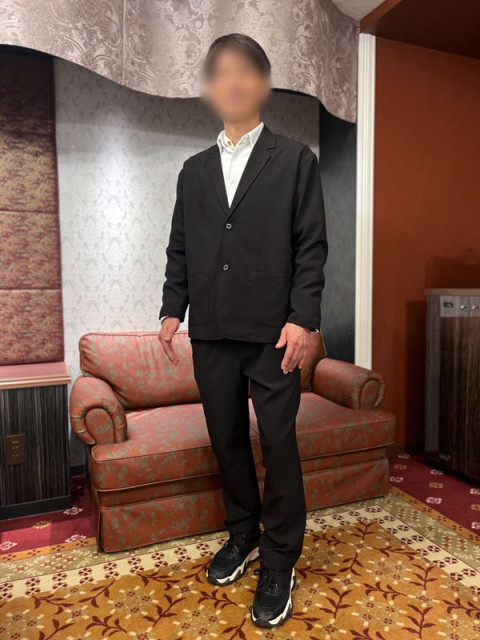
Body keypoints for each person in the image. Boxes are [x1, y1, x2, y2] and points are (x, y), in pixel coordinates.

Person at [158, 33, 328, 629]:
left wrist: (303, 319)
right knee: (226, 440)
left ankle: (280, 559)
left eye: (244, 70)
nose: (232, 82)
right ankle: (243, 533)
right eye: (221, 72)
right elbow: (180, 247)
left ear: (262, 83)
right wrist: (171, 309)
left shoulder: (295, 160)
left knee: (278, 444)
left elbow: (311, 247)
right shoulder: (193, 171)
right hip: (211, 332)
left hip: (274, 334)